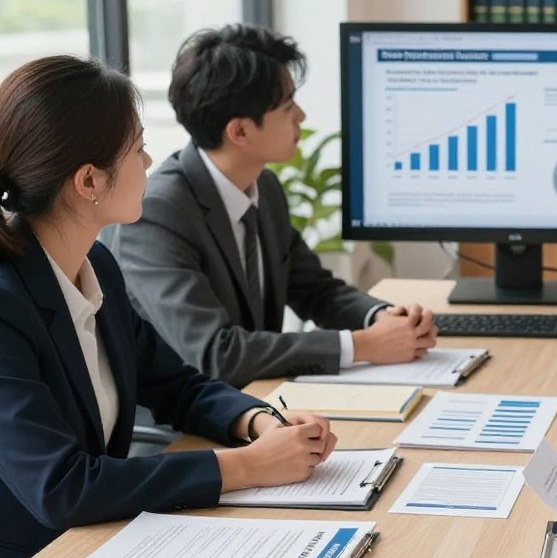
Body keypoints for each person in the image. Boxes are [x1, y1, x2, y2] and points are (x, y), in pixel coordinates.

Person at [0, 56, 338, 558]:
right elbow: (61, 488)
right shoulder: (6, 303)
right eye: (137, 149)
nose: (151, 160)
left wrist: (256, 422)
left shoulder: (97, 267)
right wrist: (246, 468)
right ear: (89, 181)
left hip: (99, 548)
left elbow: (176, 385)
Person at [110, 24, 437, 388]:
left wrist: (382, 316)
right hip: (190, 426)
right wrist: (362, 345)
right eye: (287, 106)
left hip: (261, 402)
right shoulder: (159, 213)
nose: (301, 117)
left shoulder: (262, 185)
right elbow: (217, 354)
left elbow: (315, 290)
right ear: (240, 132)